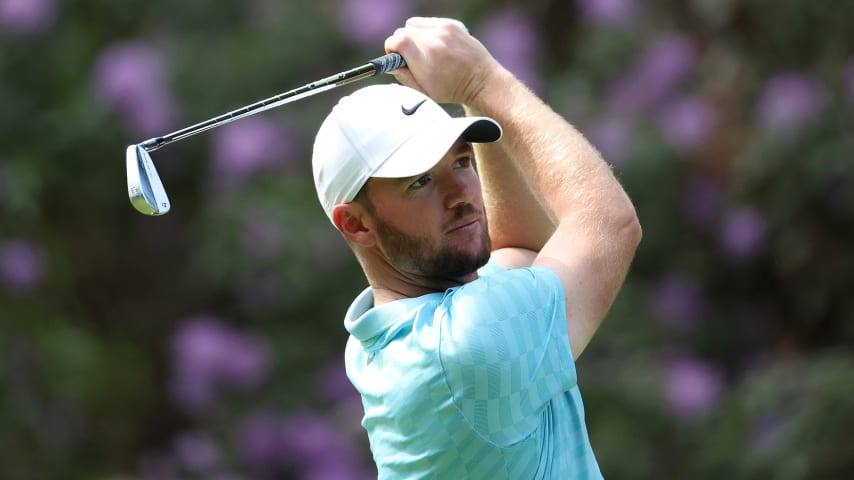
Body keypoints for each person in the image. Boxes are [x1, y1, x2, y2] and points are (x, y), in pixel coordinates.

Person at [311, 17, 641, 479]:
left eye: (462, 160)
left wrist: (471, 94)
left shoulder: (389, 333)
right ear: (355, 224)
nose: (462, 194)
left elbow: (520, 251)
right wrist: (482, 80)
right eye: (421, 181)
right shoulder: (464, 347)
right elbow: (610, 223)